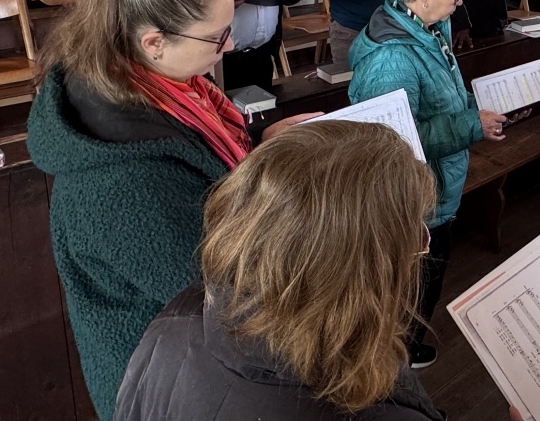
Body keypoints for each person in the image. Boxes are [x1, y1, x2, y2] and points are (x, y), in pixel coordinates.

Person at [27, 0, 317, 421]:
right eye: (216, 37)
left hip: (194, 358)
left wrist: (261, 143)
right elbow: (224, 299)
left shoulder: (158, 90)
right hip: (166, 383)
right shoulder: (123, 183)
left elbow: (197, 156)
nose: (229, 46)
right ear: (154, 42)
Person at [114, 120, 445, 421]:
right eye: (413, 236)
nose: (418, 251)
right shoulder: (377, 409)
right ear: (359, 272)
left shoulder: (173, 323)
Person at [348, 0, 520, 369]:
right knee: (414, 288)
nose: (459, 3)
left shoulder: (425, 27)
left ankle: (403, 350)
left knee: (425, 282)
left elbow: (444, 93)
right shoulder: (391, 59)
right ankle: (396, 364)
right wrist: (472, 125)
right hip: (418, 201)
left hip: (438, 187)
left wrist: (479, 109)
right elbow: (393, 142)